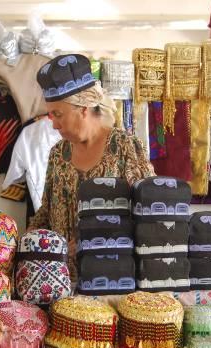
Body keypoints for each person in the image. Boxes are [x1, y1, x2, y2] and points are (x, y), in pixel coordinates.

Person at [27, 54, 155, 276]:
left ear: (83, 109)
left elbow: (150, 215)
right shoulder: (58, 154)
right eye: (51, 115)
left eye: (58, 115)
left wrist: (98, 238)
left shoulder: (126, 148)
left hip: (113, 277)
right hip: (62, 280)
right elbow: (46, 213)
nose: (54, 124)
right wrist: (24, 242)